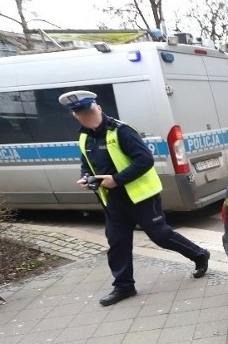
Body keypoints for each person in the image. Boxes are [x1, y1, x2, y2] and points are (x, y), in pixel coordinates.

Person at [59, 90, 210, 306]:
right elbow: (86, 164)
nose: (87, 116)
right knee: (117, 242)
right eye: (81, 114)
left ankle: (199, 255)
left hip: (142, 197)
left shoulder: (121, 131)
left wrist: (117, 179)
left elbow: (144, 160)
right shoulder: (84, 137)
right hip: (113, 199)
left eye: (89, 111)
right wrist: (86, 178)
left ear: (98, 108)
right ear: (76, 116)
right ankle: (124, 286)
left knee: (160, 235)